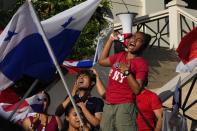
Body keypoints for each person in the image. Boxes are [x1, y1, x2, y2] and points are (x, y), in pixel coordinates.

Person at [98, 31, 151, 131]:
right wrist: (110, 39)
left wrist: (127, 72)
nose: (134, 40)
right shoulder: (120, 55)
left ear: (143, 47)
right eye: (134, 37)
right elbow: (101, 61)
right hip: (109, 104)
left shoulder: (141, 63)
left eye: (139, 40)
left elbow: (137, 90)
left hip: (125, 105)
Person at [92, 68, 163, 131]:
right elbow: (104, 94)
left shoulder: (151, 96)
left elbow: (161, 118)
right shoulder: (121, 94)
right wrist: (96, 77)